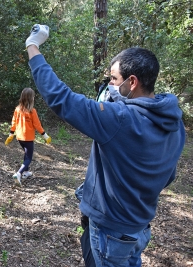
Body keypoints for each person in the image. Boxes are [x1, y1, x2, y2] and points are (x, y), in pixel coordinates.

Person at [25, 24, 185, 267]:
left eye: (113, 79)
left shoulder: (119, 119)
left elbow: (61, 98)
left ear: (132, 82)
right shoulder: (176, 123)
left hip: (111, 232)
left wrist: (32, 45)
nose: (109, 85)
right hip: (139, 228)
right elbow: (168, 175)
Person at [5, 87, 51, 186]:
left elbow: (13, 122)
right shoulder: (32, 111)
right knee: (28, 158)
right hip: (28, 138)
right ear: (31, 98)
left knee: (26, 154)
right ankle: (19, 173)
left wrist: (11, 134)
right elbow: (37, 125)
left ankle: (26, 172)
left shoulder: (17, 109)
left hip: (20, 137)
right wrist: (44, 135)